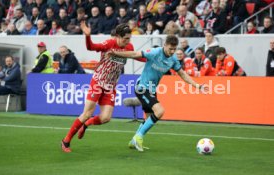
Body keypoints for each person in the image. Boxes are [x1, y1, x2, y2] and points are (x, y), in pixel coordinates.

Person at [108, 35, 208, 152]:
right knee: (160, 111)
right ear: (164, 45)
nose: (172, 52)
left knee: (150, 118)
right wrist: (115, 53)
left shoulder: (173, 60)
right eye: (170, 48)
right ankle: (138, 137)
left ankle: (133, 142)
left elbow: (182, 74)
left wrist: (198, 86)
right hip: (142, 87)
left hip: (152, 90)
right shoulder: (155, 52)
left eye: (174, 49)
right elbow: (134, 54)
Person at [61, 22, 146, 153]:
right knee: (87, 113)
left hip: (110, 87)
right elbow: (91, 47)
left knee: (106, 118)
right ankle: (66, 141)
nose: (128, 41)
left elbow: (138, 57)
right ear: (118, 36)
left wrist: (154, 57)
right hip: (98, 83)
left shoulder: (129, 46)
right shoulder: (108, 44)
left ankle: (87, 124)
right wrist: (87, 36)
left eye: (129, 38)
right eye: (125, 38)